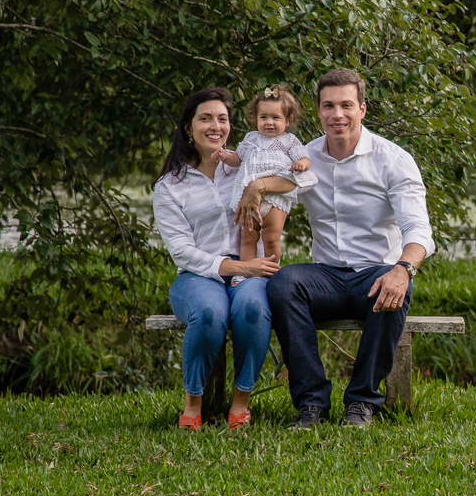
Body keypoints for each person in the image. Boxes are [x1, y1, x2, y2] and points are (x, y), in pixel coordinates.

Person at [259, 68, 435, 429]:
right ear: (319, 110)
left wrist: (402, 270)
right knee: (283, 284)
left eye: (346, 105)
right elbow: (272, 208)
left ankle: (362, 402)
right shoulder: (304, 159)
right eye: (328, 106)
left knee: (394, 288)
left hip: (376, 273)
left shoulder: (392, 159)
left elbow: (418, 229)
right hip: (325, 277)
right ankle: (311, 405)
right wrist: (255, 189)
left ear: (362, 109)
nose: (337, 114)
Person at [152, 88, 295, 430]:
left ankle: (241, 401)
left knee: (252, 308)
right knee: (209, 312)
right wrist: (239, 267)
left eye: (222, 119)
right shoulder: (170, 186)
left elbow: (299, 179)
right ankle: (193, 403)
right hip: (199, 274)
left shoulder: (246, 166)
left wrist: (259, 186)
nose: (215, 126)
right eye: (205, 119)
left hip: (252, 271)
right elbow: (181, 250)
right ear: (188, 128)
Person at [216, 84, 313, 286]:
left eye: (276, 118)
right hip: (248, 200)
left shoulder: (289, 141)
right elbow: (238, 159)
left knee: (271, 238)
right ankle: (244, 272)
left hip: (275, 199)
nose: (269, 122)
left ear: (288, 120)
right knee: (247, 237)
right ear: (256, 118)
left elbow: (304, 158)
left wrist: (301, 164)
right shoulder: (251, 139)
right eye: (264, 117)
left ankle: (272, 271)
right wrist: (225, 156)